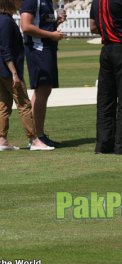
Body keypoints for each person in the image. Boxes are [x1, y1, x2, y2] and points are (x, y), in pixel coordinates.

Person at [0, 0, 54, 151]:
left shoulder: (4, 20)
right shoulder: (6, 21)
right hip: (9, 72)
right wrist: (15, 73)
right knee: (24, 104)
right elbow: (5, 50)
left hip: (2, 71)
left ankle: (2, 140)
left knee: (4, 105)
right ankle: (34, 139)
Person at [89, 0, 122, 155]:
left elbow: (93, 27)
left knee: (105, 100)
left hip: (106, 50)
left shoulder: (96, 2)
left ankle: (103, 144)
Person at [20, 0, 67, 148]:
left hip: (46, 48)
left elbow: (42, 25)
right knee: (43, 89)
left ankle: (37, 134)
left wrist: (57, 23)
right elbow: (26, 26)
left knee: (43, 90)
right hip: (37, 49)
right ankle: (36, 136)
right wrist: (51, 35)